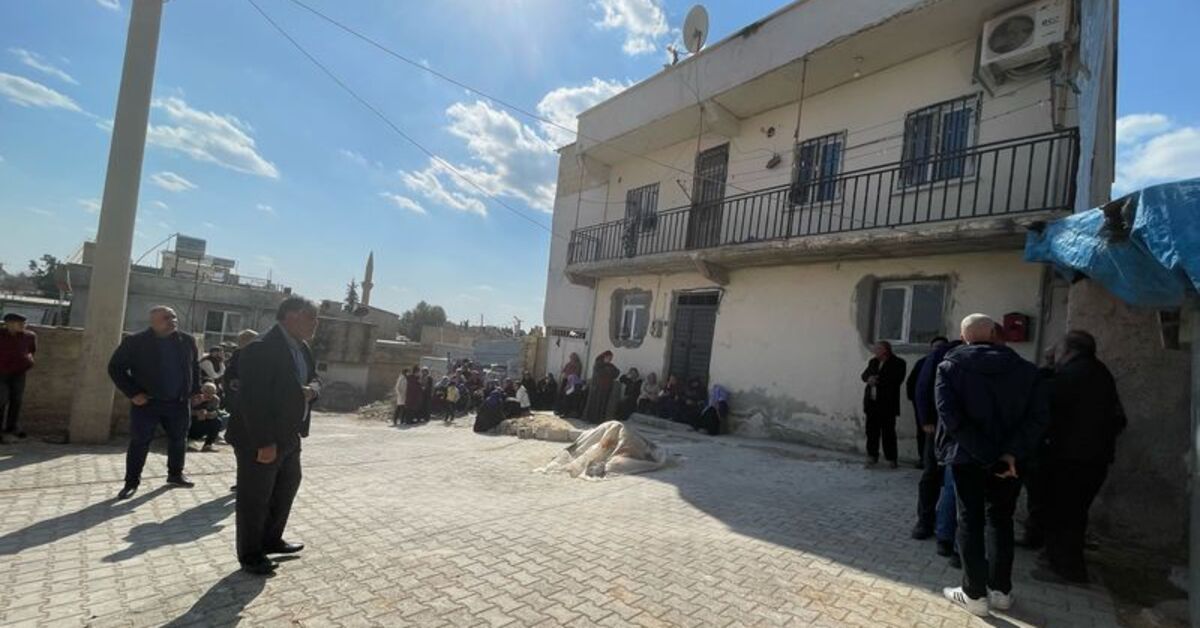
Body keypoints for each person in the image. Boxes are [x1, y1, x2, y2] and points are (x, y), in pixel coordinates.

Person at [936, 314, 1049, 616]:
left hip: (966, 457)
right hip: (1009, 462)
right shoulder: (1028, 371)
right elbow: (1038, 419)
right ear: (997, 335)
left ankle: (974, 595)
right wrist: (1008, 455)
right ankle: (1001, 591)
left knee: (970, 521)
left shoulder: (949, 367)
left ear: (964, 337)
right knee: (1001, 521)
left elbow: (950, 418)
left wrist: (986, 455)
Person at [225, 297, 321, 576]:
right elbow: (251, 401)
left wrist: (312, 390)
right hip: (261, 438)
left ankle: (271, 539)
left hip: (290, 435)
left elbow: (315, 378)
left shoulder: (302, 348)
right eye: (311, 318)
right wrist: (264, 442)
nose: (315, 325)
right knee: (255, 497)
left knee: (287, 485)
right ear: (291, 316)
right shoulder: (260, 348)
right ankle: (251, 554)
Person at [1035, 331, 1125, 584]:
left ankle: (1066, 570)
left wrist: (1046, 368)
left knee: (1063, 513)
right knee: (1074, 513)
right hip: (1094, 457)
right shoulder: (1099, 372)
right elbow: (1119, 419)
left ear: (1070, 350)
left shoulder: (1073, 375)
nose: (1056, 354)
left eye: (1058, 350)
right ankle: (1063, 561)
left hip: (1070, 458)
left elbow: (1044, 404)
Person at [108, 306, 202, 499]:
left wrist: (195, 391)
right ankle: (131, 482)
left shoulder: (186, 341)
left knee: (178, 440)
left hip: (178, 402)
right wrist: (133, 393)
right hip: (147, 403)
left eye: (174, 316)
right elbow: (115, 368)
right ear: (153, 322)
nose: (172, 320)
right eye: (166, 317)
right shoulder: (136, 342)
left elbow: (194, 367)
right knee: (140, 442)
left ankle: (175, 475)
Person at [911, 337, 957, 539]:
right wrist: (927, 419)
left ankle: (949, 529)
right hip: (939, 427)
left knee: (955, 479)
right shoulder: (942, 354)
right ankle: (925, 521)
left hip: (966, 430)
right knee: (932, 474)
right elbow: (922, 387)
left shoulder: (992, 356)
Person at [861, 341, 907, 468]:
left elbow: (897, 380)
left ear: (885, 350)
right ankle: (872, 456)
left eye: (878, 349)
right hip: (872, 403)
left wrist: (878, 380)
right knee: (871, 431)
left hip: (887, 404)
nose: (875, 351)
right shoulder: (873, 362)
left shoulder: (898, 363)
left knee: (888, 432)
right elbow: (864, 375)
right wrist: (868, 379)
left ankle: (891, 458)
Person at [907, 337, 948, 467]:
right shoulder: (922, 362)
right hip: (925, 407)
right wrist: (915, 400)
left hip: (943, 408)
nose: (937, 349)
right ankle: (923, 459)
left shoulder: (950, 362)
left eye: (941, 346)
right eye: (935, 346)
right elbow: (913, 382)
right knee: (923, 434)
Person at [0, 312, 37, 444]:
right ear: (8, 324)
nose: (23, 325)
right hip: (2, 372)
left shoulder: (29, 336)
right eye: (19, 323)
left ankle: (12, 428)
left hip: (19, 373)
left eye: (24, 323)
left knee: (17, 400)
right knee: (2, 399)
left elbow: (31, 351)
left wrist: (28, 362)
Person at [582, 351, 619, 424]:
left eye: (611, 358)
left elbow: (616, 372)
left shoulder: (610, 365)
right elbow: (601, 374)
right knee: (595, 404)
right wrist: (608, 371)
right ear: (604, 357)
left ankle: (600, 419)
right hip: (597, 388)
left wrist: (609, 371)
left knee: (603, 404)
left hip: (606, 388)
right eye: (609, 358)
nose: (610, 360)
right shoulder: (598, 364)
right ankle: (592, 419)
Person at [189, 382, 224, 452]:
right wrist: (197, 412)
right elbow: (186, 411)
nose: (208, 394)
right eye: (206, 392)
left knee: (217, 421)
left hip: (205, 421)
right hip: (192, 423)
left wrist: (208, 414)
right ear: (202, 391)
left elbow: (215, 412)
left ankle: (208, 445)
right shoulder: (195, 398)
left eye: (212, 392)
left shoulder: (215, 400)